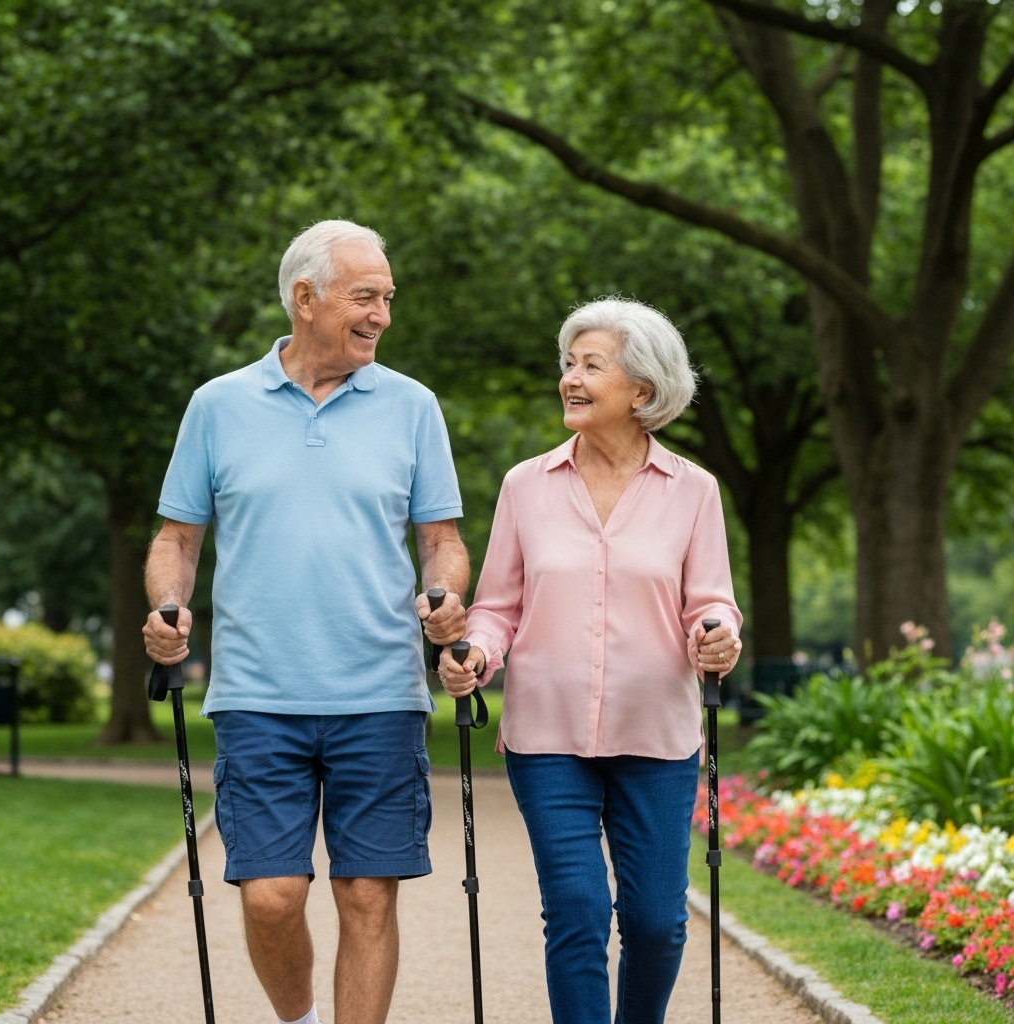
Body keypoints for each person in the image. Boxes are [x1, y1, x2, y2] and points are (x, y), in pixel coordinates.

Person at [142, 220, 468, 1024]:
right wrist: (166, 608)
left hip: (381, 693)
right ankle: (300, 1019)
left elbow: (443, 542)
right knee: (271, 898)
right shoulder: (217, 406)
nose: (382, 315)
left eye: (388, 298)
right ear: (305, 298)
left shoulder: (413, 406)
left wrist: (446, 598)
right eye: (366, 297)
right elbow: (176, 539)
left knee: (367, 895)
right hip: (257, 693)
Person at [439, 296, 743, 1024]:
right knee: (576, 914)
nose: (570, 379)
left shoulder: (694, 491)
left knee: (655, 924)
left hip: (657, 738)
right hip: (547, 738)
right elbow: (497, 607)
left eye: (591, 366)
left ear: (642, 390)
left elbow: (714, 601)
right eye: (567, 365)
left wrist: (718, 635)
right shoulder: (525, 485)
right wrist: (476, 652)